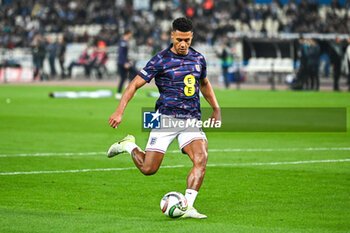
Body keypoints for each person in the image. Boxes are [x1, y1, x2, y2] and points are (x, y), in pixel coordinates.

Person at [107, 17, 221, 219]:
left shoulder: (199, 59)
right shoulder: (160, 59)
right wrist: (119, 111)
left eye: (186, 39)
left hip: (191, 120)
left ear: (192, 36)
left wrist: (216, 107)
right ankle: (129, 146)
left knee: (201, 158)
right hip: (165, 119)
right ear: (172, 36)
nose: (183, 44)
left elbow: (204, 83)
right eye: (179, 39)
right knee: (148, 169)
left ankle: (188, 207)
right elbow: (134, 84)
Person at [116, 30, 135, 99]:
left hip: (123, 62)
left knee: (125, 77)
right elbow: (121, 54)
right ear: (127, 34)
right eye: (130, 34)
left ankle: (121, 92)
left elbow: (124, 54)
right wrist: (125, 62)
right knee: (133, 74)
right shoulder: (123, 42)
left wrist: (128, 60)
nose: (131, 35)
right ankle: (122, 92)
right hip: (122, 63)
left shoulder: (125, 42)